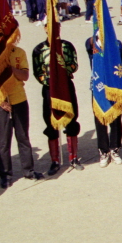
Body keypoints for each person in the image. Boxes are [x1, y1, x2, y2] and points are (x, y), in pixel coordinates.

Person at [32, 28, 83, 174]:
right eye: (49, 26)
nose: (53, 29)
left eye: (56, 25)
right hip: (49, 89)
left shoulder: (67, 45)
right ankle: (55, 160)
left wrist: (62, 72)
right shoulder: (39, 49)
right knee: (50, 122)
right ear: (44, 28)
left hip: (66, 86)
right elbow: (37, 71)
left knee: (72, 120)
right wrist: (50, 80)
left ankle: (73, 157)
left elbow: (74, 64)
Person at [0, 37, 40, 187]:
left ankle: (28, 170)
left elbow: (25, 76)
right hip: (0, 102)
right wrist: (0, 100)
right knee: (3, 141)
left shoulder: (19, 52)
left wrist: (10, 68)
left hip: (19, 99)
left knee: (23, 137)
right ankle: (5, 175)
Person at [85, 33, 122, 167]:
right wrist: (98, 33)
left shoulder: (117, 44)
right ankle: (103, 151)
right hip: (98, 86)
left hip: (113, 85)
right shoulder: (93, 42)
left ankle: (115, 148)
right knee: (100, 120)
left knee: (116, 120)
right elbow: (88, 43)